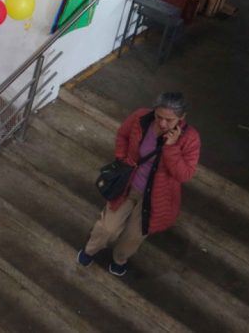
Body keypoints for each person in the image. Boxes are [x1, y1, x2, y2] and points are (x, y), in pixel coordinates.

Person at [78, 92, 200, 276]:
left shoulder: (190, 139)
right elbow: (123, 136)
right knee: (106, 228)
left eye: (169, 119)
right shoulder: (141, 117)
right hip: (128, 184)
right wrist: (122, 159)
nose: (163, 123)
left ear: (182, 118)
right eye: (159, 116)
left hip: (155, 197)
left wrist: (172, 148)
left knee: (133, 237)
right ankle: (90, 250)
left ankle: (120, 259)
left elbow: (184, 175)